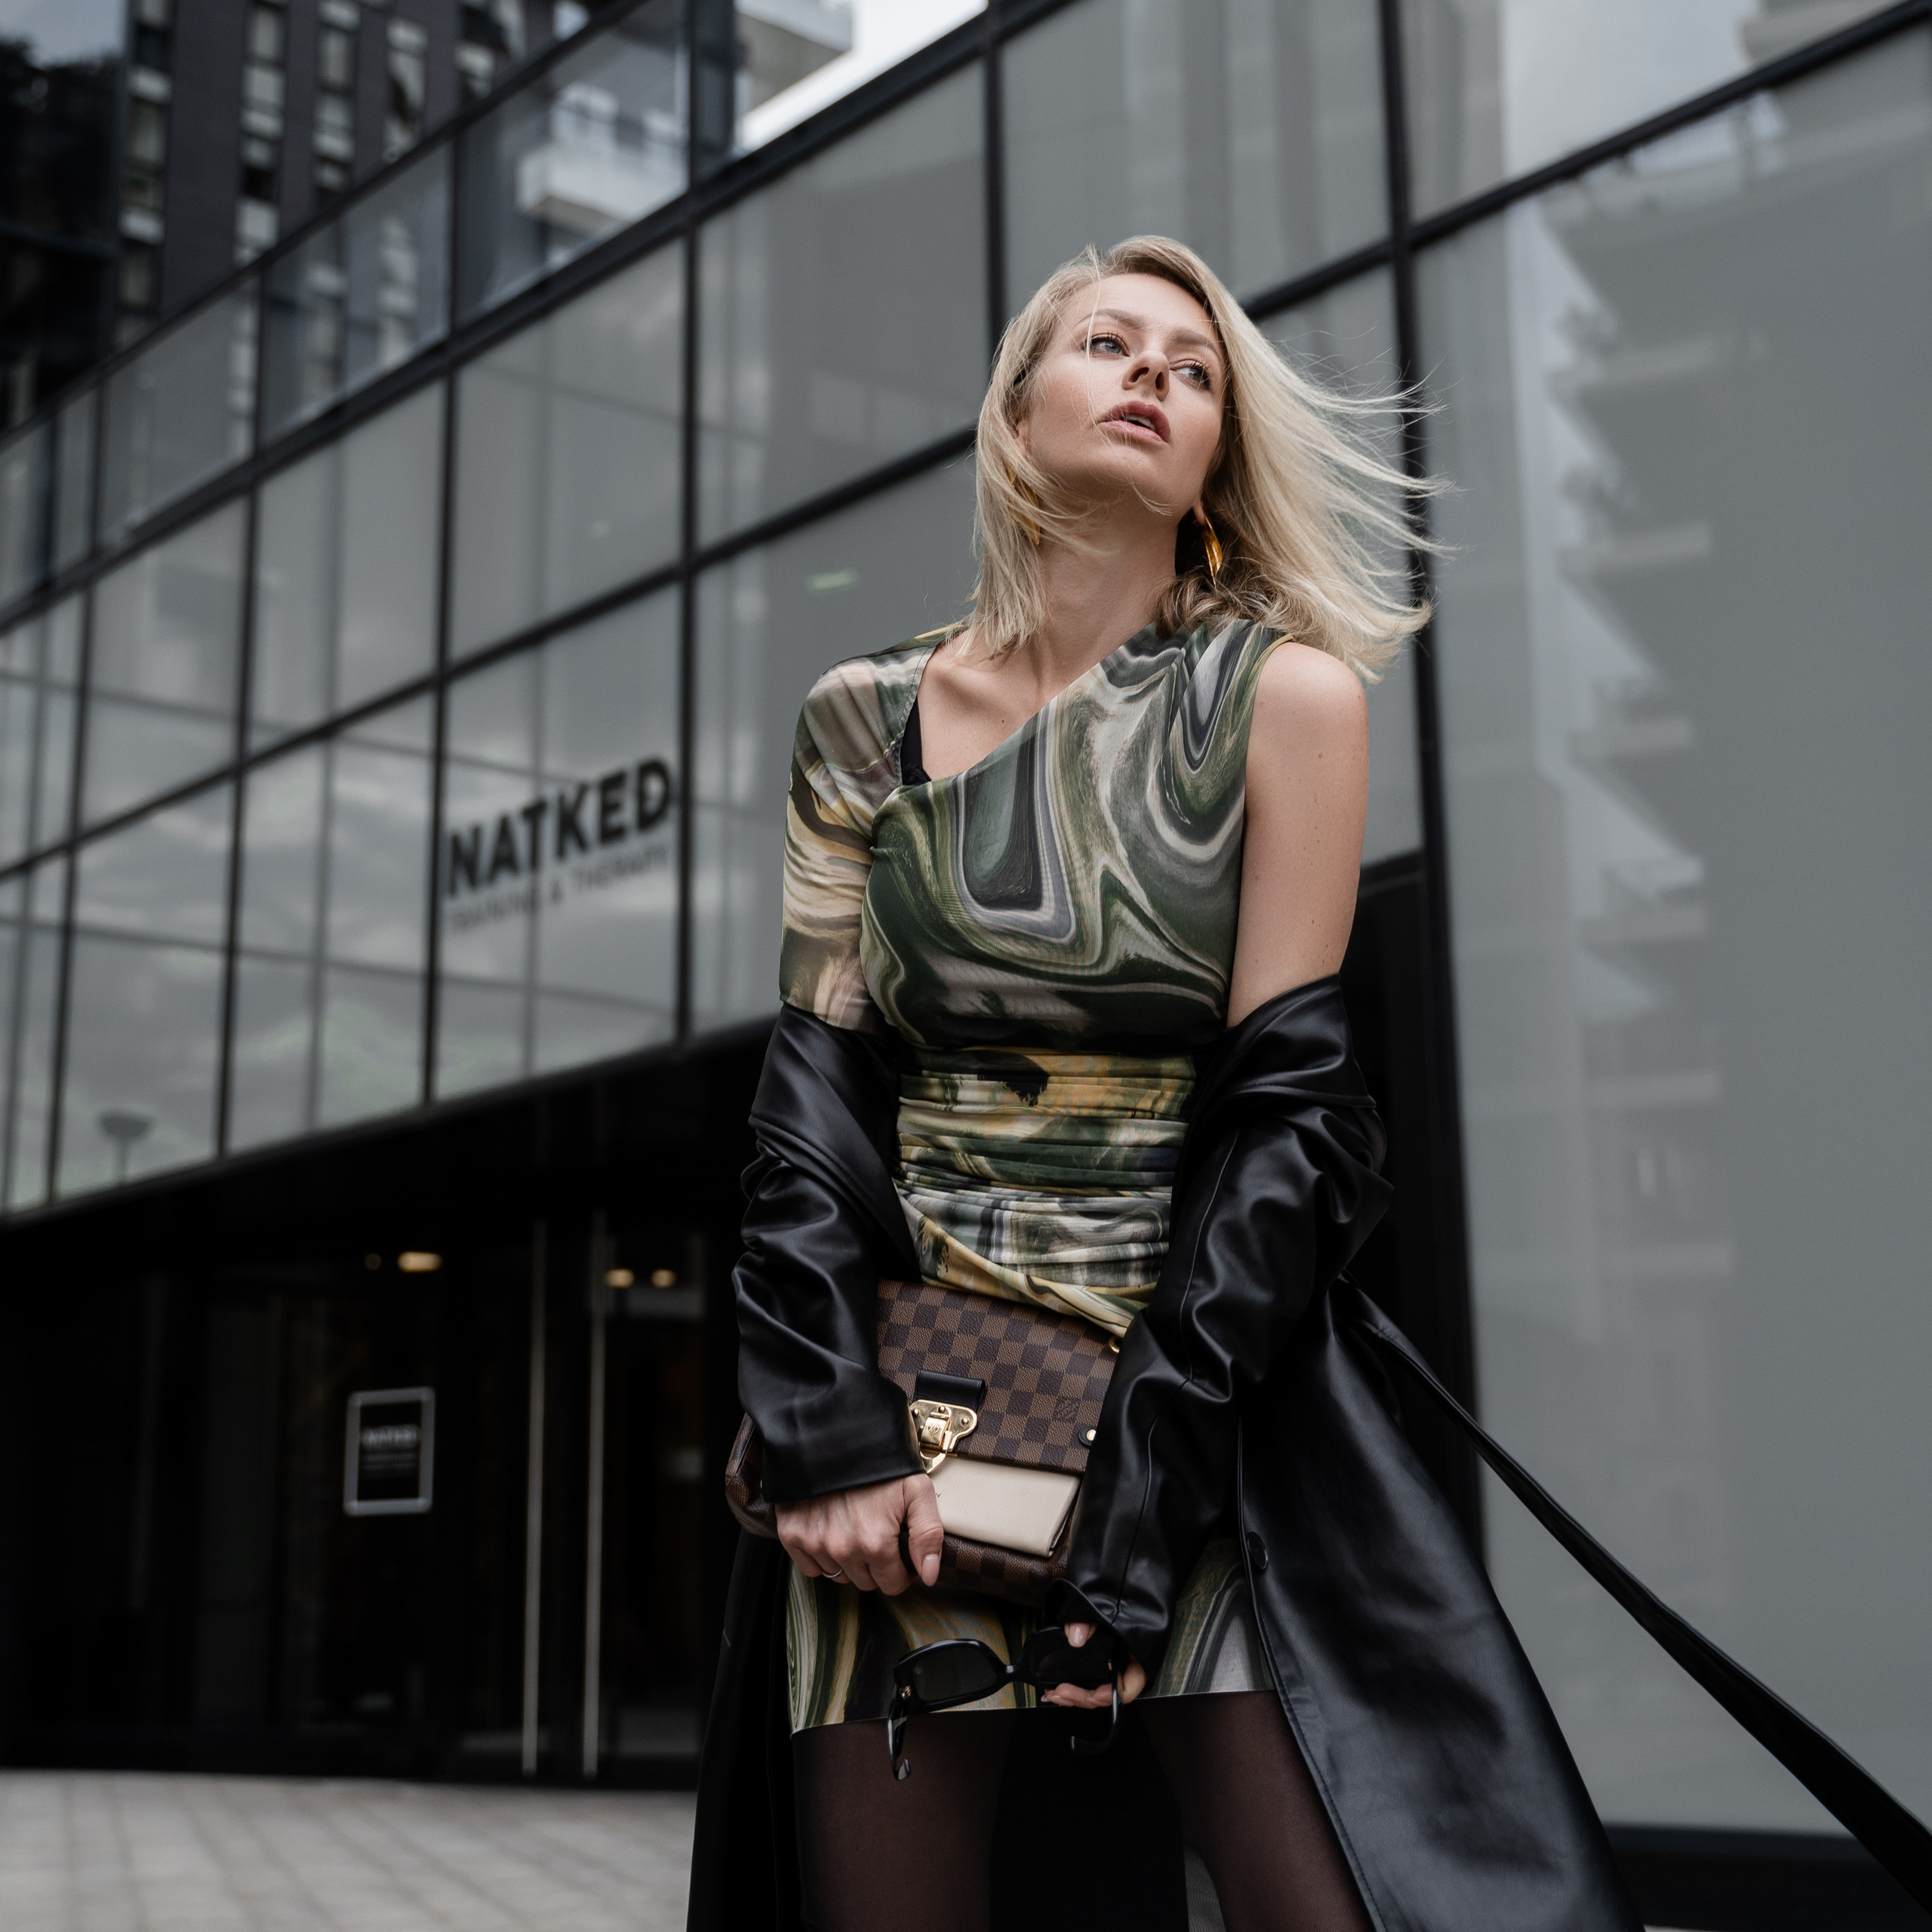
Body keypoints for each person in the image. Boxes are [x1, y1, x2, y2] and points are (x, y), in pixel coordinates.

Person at [688, 238, 1639, 1932]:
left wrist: (1143, 1492)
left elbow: (1295, 1119)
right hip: (918, 1425)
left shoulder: (1284, 697)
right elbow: (810, 1110)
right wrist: (823, 1427)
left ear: (1211, 461)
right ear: (1016, 410)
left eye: (1193, 372)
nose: (1153, 376)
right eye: (1109, 344)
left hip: (1194, 1402)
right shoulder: (858, 719)